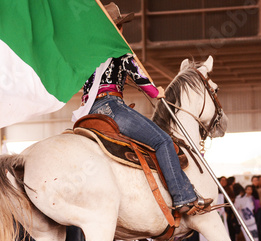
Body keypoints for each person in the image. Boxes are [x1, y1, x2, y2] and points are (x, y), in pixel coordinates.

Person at [81, 2, 212, 214]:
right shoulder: (118, 47)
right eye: (121, 25)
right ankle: (183, 197)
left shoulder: (87, 51)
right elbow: (138, 74)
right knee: (162, 141)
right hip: (111, 106)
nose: (123, 30)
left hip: (88, 111)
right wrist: (155, 91)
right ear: (116, 27)